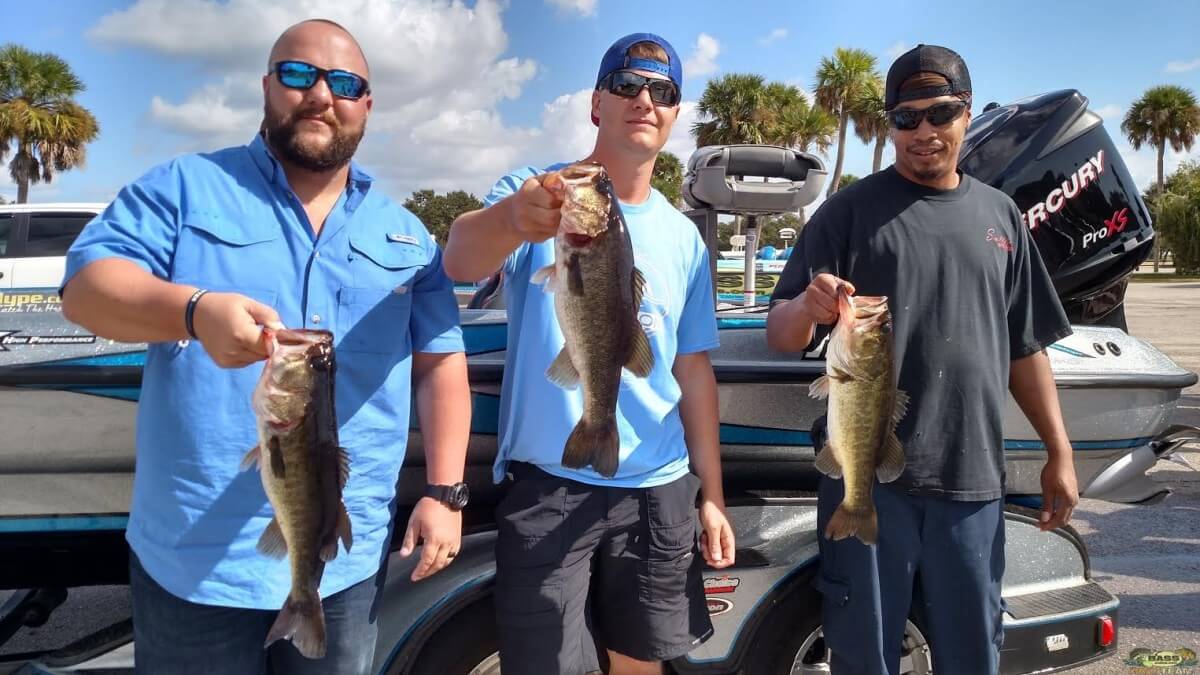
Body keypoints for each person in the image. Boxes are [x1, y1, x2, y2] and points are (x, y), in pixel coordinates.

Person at [60, 19, 471, 675]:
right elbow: (84, 290)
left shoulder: (407, 234)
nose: (319, 94)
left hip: (341, 563)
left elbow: (440, 363)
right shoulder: (185, 186)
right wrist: (192, 313)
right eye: (298, 74)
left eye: (344, 83)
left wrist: (446, 492)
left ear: (366, 104)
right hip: (193, 565)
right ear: (266, 86)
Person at [765, 44, 1080, 675]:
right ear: (889, 125)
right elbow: (780, 331)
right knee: (865, 652)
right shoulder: (847, 213)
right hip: (870, 483)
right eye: (906, 119)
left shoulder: (1002, 218)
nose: (924, 132)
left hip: (973, 481)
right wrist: (808, 303)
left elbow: (1025, 346)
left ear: (967, 114)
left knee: (972, 652)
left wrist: (1060, 452)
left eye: (940, 113)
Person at [443, 32, 734, 675]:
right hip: (549, 483)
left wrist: (710, 493)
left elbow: (692, 368)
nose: (645, 101)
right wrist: (517, 219)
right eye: (627, 86)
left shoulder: (685, 237)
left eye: (663, 92)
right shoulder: (533, 191)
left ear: (675, 115)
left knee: (643, 664)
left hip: (659, 485)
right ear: (597, 102)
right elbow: (459, 259)